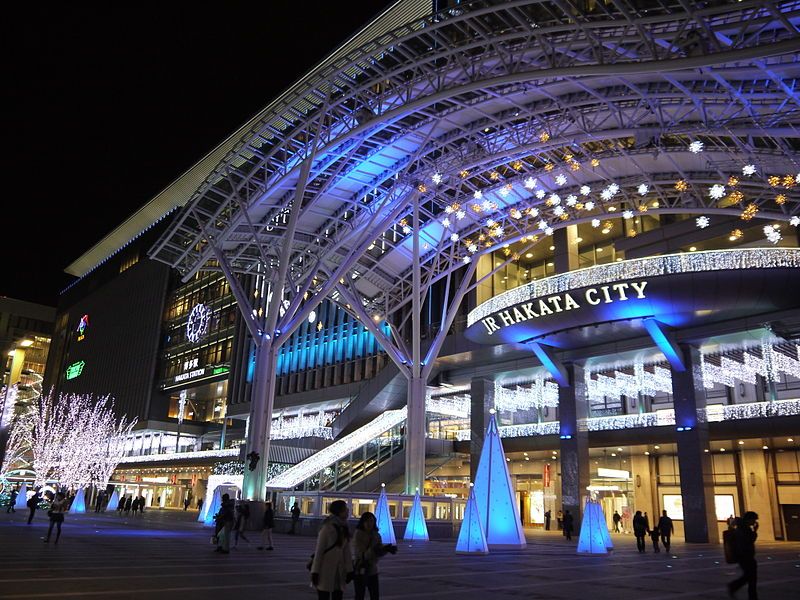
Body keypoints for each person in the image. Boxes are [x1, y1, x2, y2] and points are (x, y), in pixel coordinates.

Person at [310, 500, 353, 600]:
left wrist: (350, 570)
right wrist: (315, 572)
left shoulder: (344, 527)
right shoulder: (327, 527)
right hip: (325, 569)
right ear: (339, 511)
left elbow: (346, 551)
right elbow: (319, 551)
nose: (348, 511)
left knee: (338, 595)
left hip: (339, 570)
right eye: (345, 509)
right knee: (324, 595)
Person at [351, 511, 397, 600]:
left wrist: (386, 549)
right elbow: (360, 554)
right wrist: (375, 550)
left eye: (372, 521)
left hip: (372, 570)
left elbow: (378, 552)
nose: (369, 524)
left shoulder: (376, 535)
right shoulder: (358, 535)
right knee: (359, 595)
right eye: (367, 521)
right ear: (363, 522)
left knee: (375, 595)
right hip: (360, 569)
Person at [728, 511, 759, 600]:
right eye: (754, 520)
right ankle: (734, 586)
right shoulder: (744, 529)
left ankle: (735, 587)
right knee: (751, 578)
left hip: (744, 556)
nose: (755, 522)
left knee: (750, 577)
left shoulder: (742, 527)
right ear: (749, 519)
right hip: (746, 556)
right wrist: (755, 531)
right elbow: (749, 540)